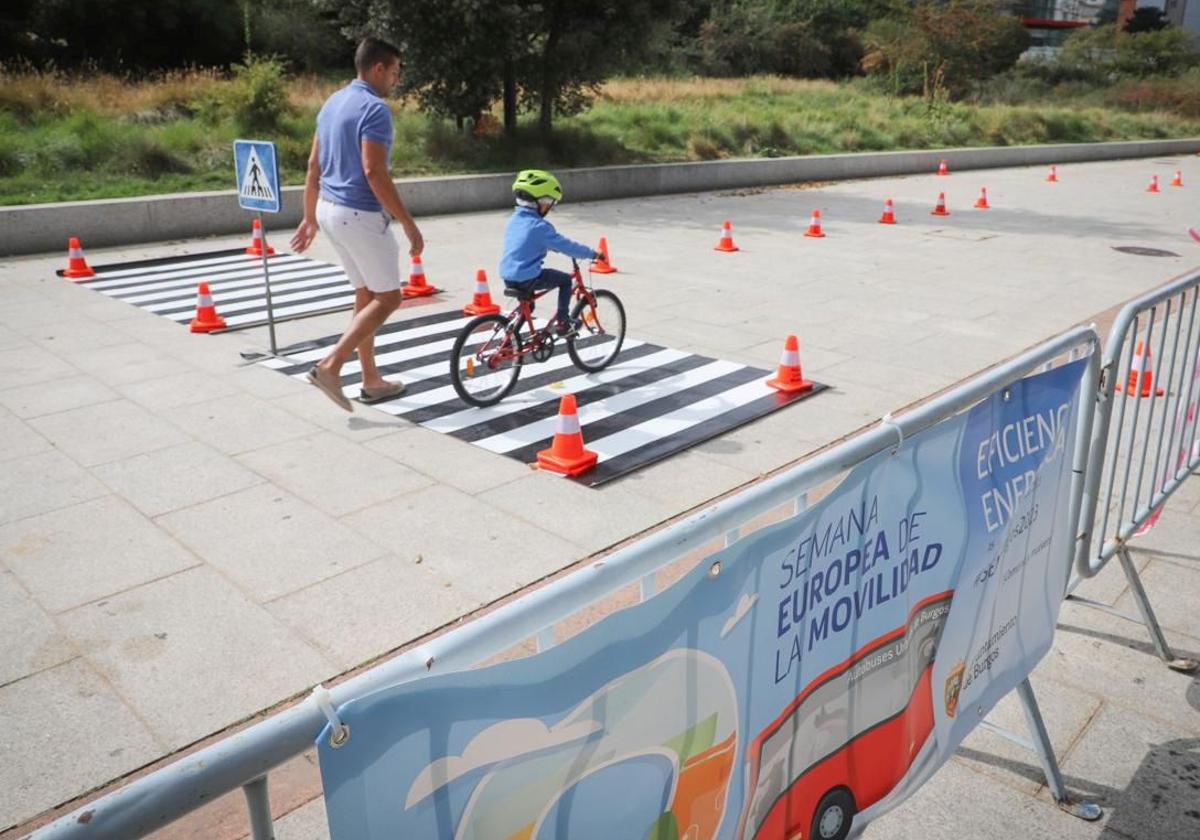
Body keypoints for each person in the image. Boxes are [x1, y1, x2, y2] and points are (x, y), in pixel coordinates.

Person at [290, 35, 424, 412]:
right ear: (378, 68)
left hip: (329, 211)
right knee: (390, 297)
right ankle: (330, 366)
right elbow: (373, 171)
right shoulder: (375, 109)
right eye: (394, 72)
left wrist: (308, 217)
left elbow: (313, 166)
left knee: (366, 293)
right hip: (359, 214)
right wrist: (408, 224)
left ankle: (371, 381)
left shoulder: (332, 103)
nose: (396, 81)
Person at [500, 169, 602, 336]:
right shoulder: (540, 227)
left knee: (528, 306)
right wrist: (592, 253)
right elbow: (568, 246)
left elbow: (524, 242)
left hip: (508, 275)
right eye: (549, 202)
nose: (549, 206)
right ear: (540, 201)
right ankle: (563, 323)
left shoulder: (514, 219)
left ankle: (511, 338)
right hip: (527, 277)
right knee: (564, 281)